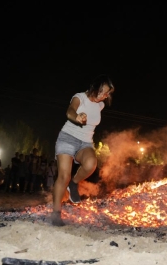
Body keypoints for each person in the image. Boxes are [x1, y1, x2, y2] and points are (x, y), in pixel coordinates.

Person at [51, 74, 114, 226]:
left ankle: (74, 183)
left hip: (85, 142)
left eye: (107, 93)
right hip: (67, 138)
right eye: (103, 92)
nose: (104, 96)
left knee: (91, 164)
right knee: (63, 176)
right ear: (95, 87)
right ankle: (56, 214)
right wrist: (76, 117)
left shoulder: (101, 104)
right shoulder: (80, 97)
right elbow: (70, 111)